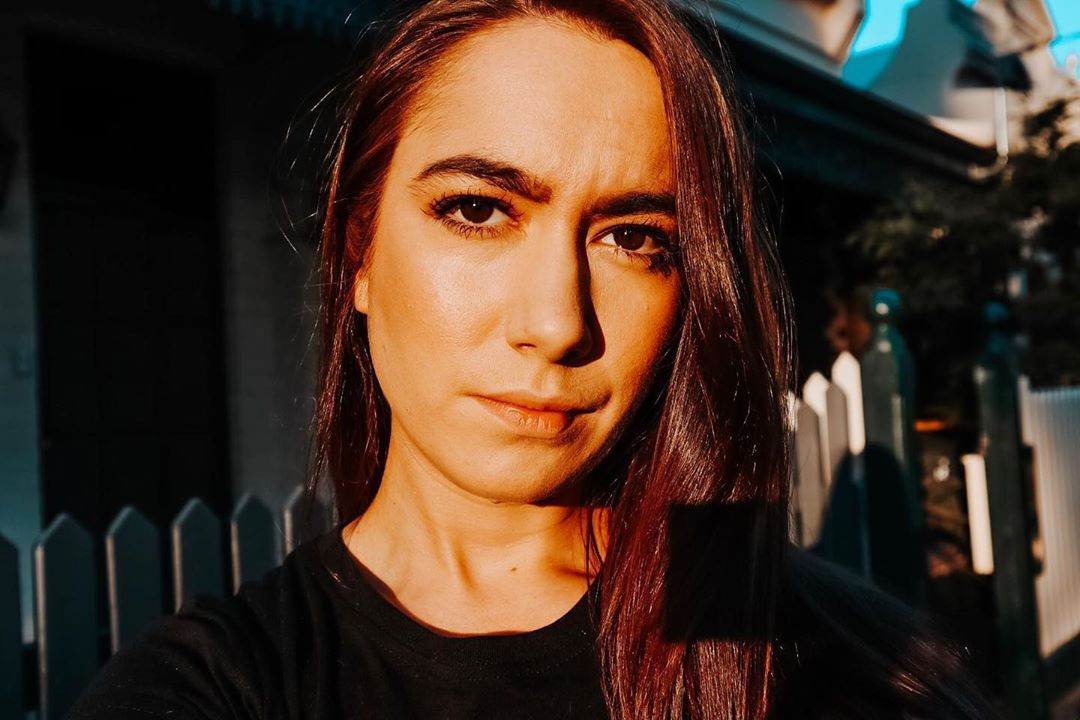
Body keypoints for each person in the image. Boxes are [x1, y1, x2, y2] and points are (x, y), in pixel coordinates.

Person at [70, 0, 997, 717]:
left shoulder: (831, 662)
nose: (556, 324)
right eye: (477, 210)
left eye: (634, 238)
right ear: (359, 254)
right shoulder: (214, 687)